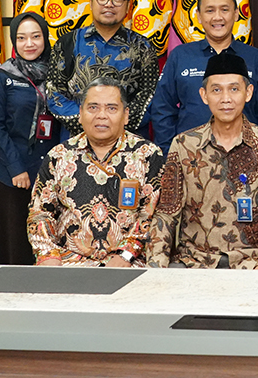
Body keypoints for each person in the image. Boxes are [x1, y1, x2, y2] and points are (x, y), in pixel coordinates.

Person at [148, 51, 258, 269]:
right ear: (204, 95)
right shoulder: (184, 145)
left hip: (253, 263)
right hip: (194, 263)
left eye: (234, 89)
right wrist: (156, 266)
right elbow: (166, 214)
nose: (226, 98)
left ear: (248, 93)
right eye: (216, 90)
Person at [27, 77, 165, 266]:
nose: (101, 115)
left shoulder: (147, 155)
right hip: (67, 263)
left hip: (129, 263)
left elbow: (153, 215)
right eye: (93, 107)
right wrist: (48, 255)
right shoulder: (59, 156)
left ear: (126, 115)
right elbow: (40, 213)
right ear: (80, 113)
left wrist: (126, 255)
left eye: (111, 108)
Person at [150, 0, 258, 150]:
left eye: (224, 10)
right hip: (190, 155)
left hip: (245, 155)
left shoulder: (255, 58)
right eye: (210, 10)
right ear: (198, 16)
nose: (217, 17)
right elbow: (162, 108)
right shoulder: (180, 56)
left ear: (236, 14)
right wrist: (170, 151)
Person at [0, 12, 61, 265]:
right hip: (13, 173)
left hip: (51, 171)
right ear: (14, 41)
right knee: (16, 244)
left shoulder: (58, 74)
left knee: (51, 242)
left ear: (45, 38)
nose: (29, 43)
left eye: (36, 36)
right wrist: (16, 168)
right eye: (21, 38)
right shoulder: (2, 76)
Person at [47, 0, 158, 138]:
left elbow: (149, 96)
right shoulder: (67, 43)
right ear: (91, 2)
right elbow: (54, 92)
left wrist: (114, 124)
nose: (109, 4)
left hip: (128, 141)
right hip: (77, 140)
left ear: (128, 6)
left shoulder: (143, 47)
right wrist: (90, 123)